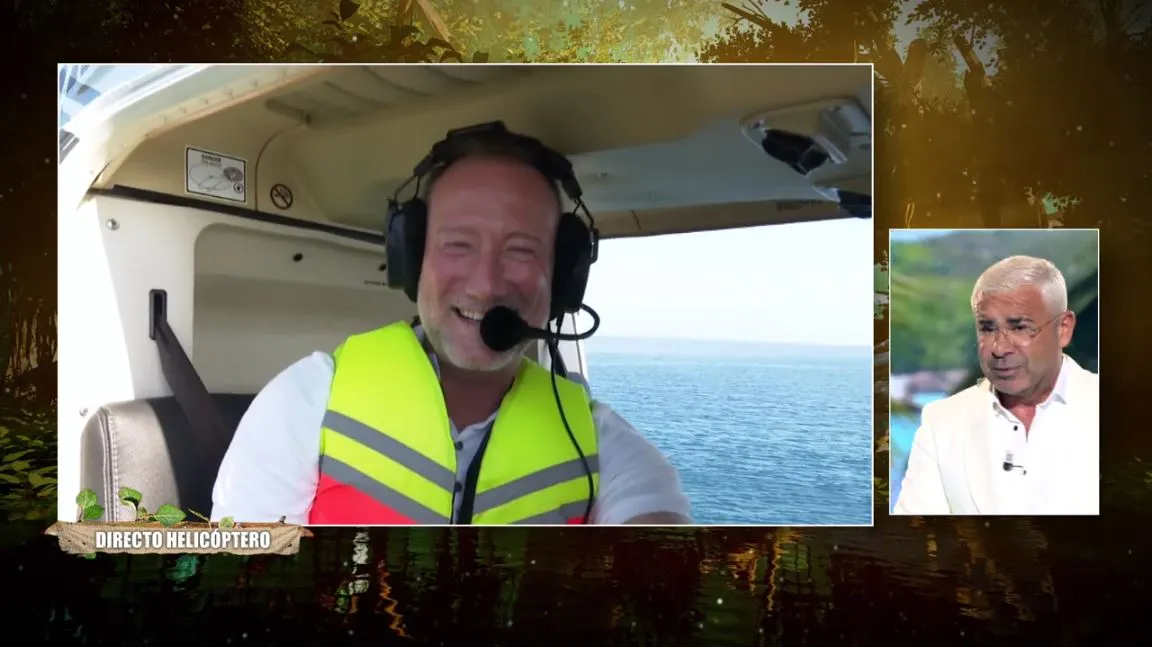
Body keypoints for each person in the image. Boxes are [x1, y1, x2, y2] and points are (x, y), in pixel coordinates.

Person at [211, 123, 691, 525]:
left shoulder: (597, 442)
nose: (485, 284)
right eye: (458, 244)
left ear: (562, 277)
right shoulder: (306, 402)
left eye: (521, 250)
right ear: (412, 259)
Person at [893, 255, 1098, 516]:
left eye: (1020, 327)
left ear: (1063, 329)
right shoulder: (941, 422)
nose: (999, 348)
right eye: (987, 328)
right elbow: (915, 539)